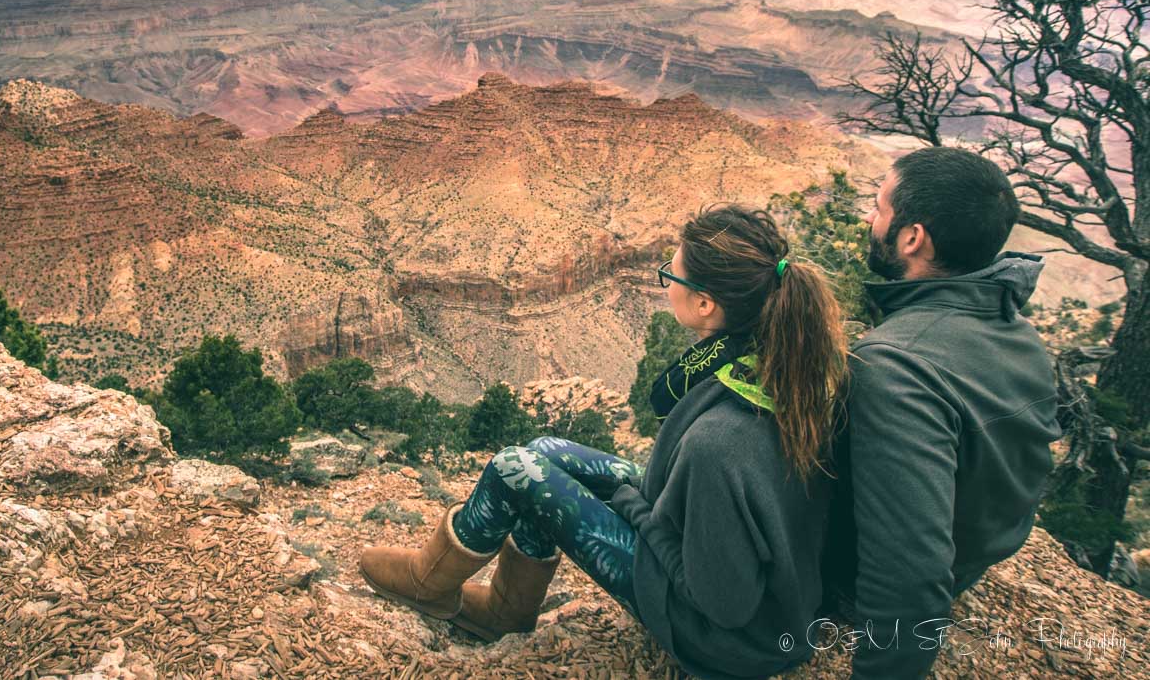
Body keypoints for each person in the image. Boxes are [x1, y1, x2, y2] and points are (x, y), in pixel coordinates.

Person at [360, 205, 850, 679]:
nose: (664, 286)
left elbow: (722, 603)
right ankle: (506, 610)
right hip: (768, 591)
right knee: (545, 452)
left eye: (670, 277)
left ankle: (430, 584)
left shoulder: (718, 442)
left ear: (705, 303)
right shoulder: (790, 368)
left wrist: (641, 514)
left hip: (724, 640)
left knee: (515, 467)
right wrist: (644, 506)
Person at [819, 146, 1063, 679]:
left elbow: (909, 571)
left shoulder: (892, 366)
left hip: (848, 585)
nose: (869, 217)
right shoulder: (1014, 328)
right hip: (976, 553)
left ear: (912, 237)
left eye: (879, 206)